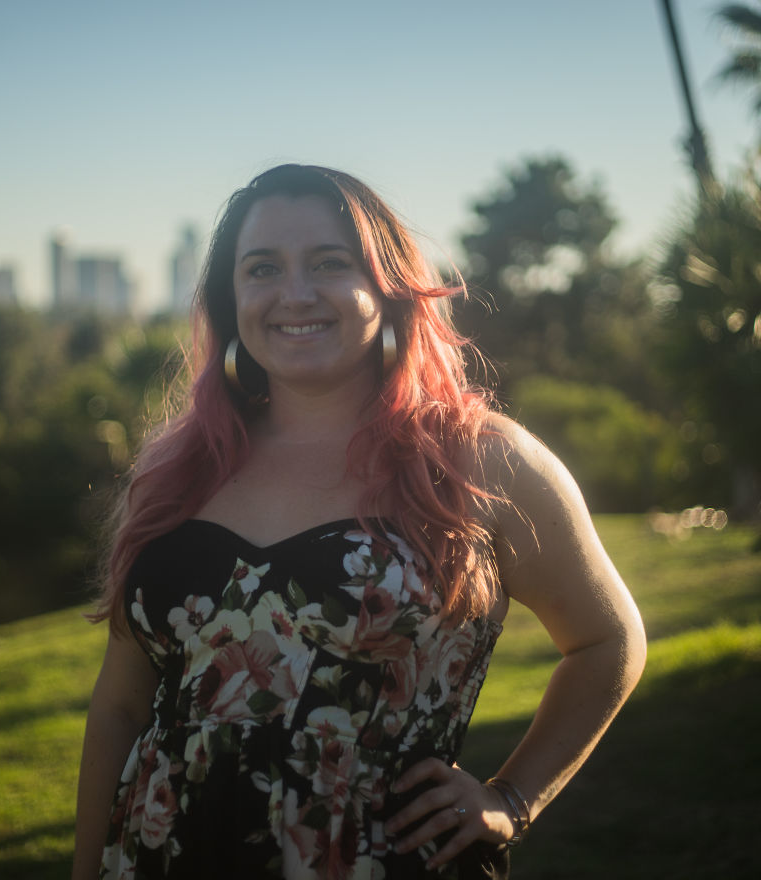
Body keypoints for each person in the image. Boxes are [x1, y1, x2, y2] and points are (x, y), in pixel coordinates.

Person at [72, 164, 646, 880]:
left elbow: (607, 639)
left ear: (389, 286)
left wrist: (512, 799)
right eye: (262, 269)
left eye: (329, 263)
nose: (295, 294)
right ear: (232, 299)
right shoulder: (176, 473)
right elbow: (122, 707)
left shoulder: (477, 460)